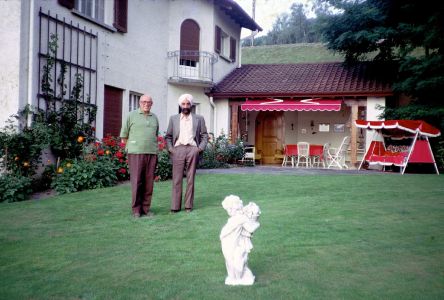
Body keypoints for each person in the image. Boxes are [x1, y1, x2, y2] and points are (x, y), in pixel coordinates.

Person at [165, 93, 208, 213]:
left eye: (188, 103)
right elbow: (168, 136)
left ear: (191, 105)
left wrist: (199, 148)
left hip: (193, 150)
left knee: (190, 179)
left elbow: (204, 135)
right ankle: (175, 206)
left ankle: (188, 206)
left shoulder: (199, 118)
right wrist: (171, 149)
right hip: (177, 150)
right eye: (183, 104)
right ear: (180, 105)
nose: (185, 106)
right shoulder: (173, 118)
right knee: (177, 179)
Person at [120, 95, 159, 218]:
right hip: (135, 153)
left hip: (151, 153)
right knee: (137, 181)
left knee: (149, 183)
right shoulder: (131, 116)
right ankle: (136, 210)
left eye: (148, 102)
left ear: (152, 103)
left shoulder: (154, 118)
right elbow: (124, 136)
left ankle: (146, 209)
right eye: (143, 102)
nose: (146, 104)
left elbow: (155, 135)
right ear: (139, 103)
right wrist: (132, 146)